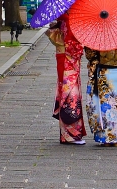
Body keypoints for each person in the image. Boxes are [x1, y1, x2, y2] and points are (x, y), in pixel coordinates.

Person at [84, 41, 117, 146]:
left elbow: (91, 55)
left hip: (105, 71)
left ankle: (106, 138)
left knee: (106, 105)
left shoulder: (99, 35)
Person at [47, 13, 86, 145]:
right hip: (68, 60)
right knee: (70, 95)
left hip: (63, 58)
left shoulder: (63, 19)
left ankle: (67, 134)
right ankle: (70, 134)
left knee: (66, 92)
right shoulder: (69, 20)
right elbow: (74, 46)